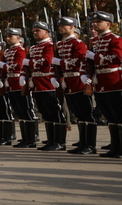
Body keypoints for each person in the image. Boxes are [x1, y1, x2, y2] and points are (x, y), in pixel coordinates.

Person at [89, 12, 122, 158]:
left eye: (99, 21)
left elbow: (117, 58)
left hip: (114, 81)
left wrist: (95, 57)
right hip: (100, 81)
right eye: (94, 21)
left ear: (108, 24)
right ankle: (115, 146)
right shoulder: (94, 41)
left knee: (119, 114)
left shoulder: (115, 39)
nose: (95, 24)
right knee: (109, 116)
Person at [56, 18, 93, 154]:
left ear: (72, 27)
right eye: (60, 25)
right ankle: (83, 143)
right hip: (67, 81)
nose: (61, 27)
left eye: (64, 25)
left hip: (78, 80)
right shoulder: (60, 45)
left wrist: (60, 63)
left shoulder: (78, 43)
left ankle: (90, 145)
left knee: (85, 113)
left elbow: (77, 61)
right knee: (78, 114)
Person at [28, 22, 63, 151]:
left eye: (38, 30)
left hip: (49, 82)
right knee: (45, 113)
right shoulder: (34, 48)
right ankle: (51, 139)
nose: (35, 33)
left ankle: (59, 141)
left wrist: (31, 63)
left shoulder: (50, 46)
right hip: (38, 84)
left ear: (47, 32)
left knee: (54, 111)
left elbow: (46, 62)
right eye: (34, 31)